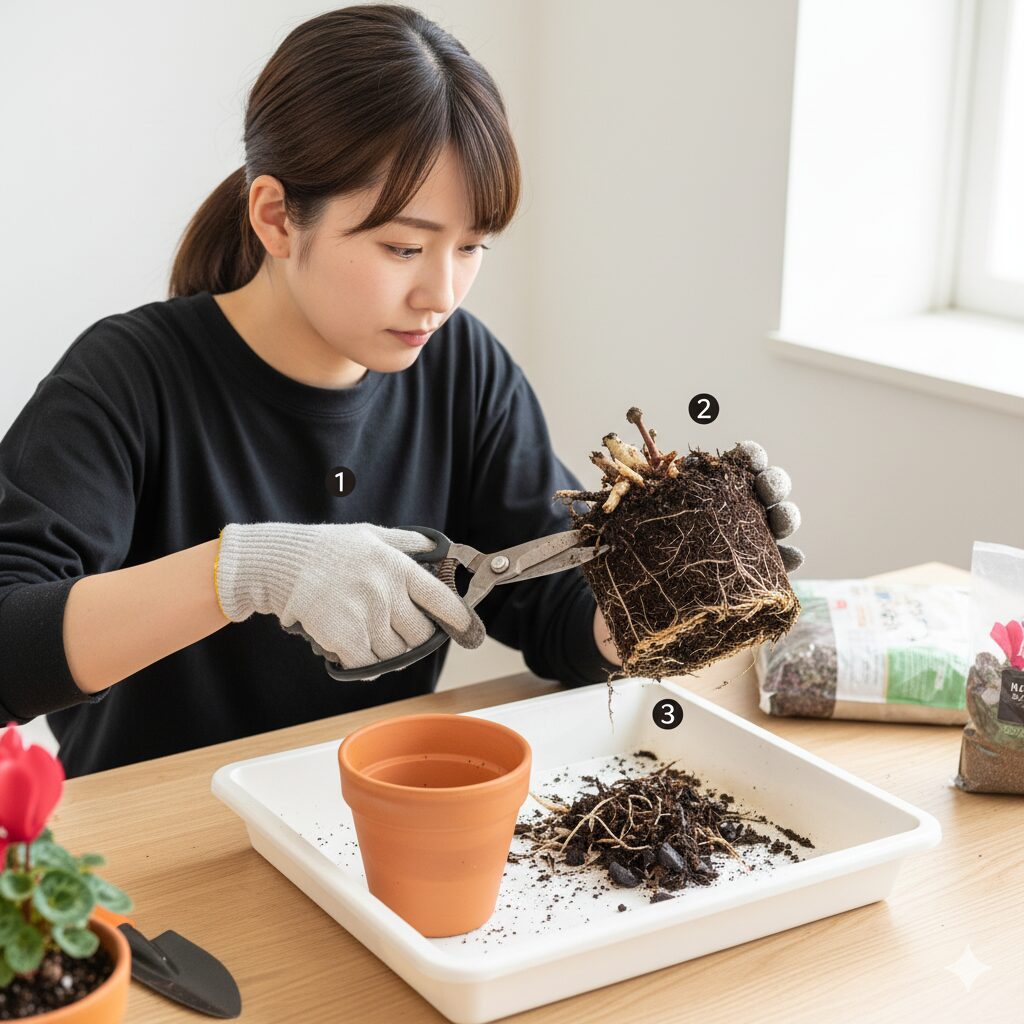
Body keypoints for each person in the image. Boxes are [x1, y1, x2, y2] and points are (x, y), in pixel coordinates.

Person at [0, 5, 800, 779]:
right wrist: (240, 572)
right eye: (404, 246)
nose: (442, 294)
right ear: (277, 218)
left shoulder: (462, 369)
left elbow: (551, 611)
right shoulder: (128, 378)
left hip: (367, 816)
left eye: (472, 247)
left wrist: (681, 582)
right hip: (161, 843)